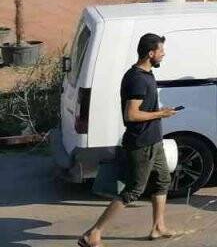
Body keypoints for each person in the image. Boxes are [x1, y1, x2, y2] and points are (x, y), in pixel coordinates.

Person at [79, 34, 188, 247]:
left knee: (163, 180)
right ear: (150, 53)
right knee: (133, 191)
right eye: (161, 51)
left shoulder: (145, 74)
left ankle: (158, 227)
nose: (163, 54)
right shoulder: (138, 79)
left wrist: (159, 113)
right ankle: (93, 233)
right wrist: (160, 114)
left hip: (153, 140)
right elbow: (131, 114)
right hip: (141, 143)